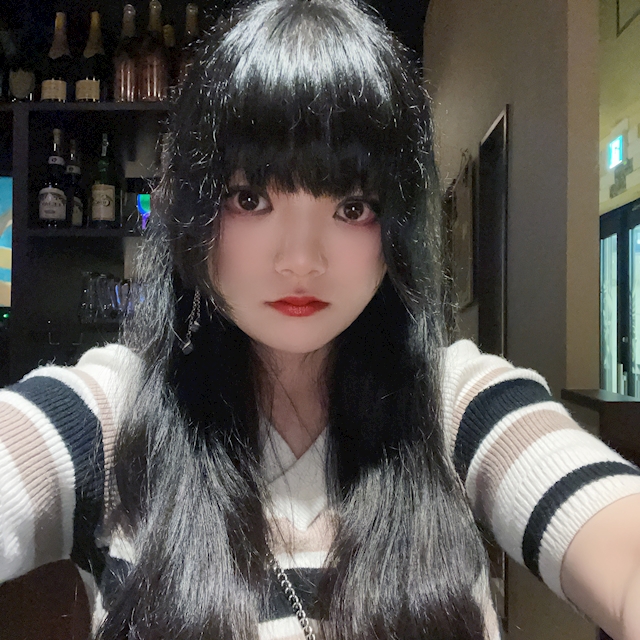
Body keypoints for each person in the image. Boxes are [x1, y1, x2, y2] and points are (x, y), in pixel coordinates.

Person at [1, 1, 640, 639]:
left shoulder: (449, 403)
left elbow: (604, 521)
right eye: (251, 198)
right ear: (194, 210)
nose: (301, 260)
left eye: (352, 206)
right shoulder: (121, 412)